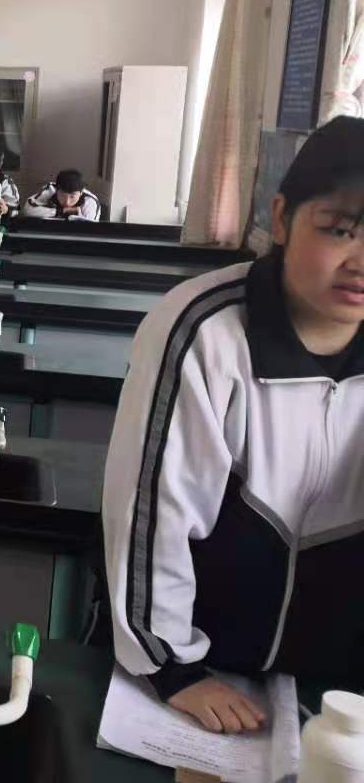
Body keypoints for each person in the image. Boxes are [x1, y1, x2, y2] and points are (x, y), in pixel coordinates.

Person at [101, 117, 364, 735]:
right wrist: (172, 667)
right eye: (341, 230)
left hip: (339, 688)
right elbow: (153, 513)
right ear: (282, 219)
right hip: (207, 668)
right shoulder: (204, 331)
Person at [23, 168, 101, 221]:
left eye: (72, 196)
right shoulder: (51, 190)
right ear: (57, 190)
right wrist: (62, 211)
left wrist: (77, 216)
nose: (67, 202)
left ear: (81, 193)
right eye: (63, 195)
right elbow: (27, 210)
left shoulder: (90, 201)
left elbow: (88, 229)